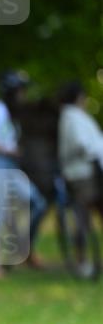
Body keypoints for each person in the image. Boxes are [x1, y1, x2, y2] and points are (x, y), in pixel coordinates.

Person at [0, 70, 48, 279]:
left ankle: (25, 250)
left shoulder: (12, 115)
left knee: (36, 201)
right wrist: (6, 150)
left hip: (10, 167)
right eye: (21, 91)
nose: (23, 95)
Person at [57, 81, 103, 274]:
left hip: (90, 171)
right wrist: (93, 151)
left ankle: (86, 260)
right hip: (81, 173)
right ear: (78, 97)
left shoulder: (76, 116)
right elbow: (81, 143)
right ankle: (82, 261)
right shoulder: (71, 116)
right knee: (82, 217)